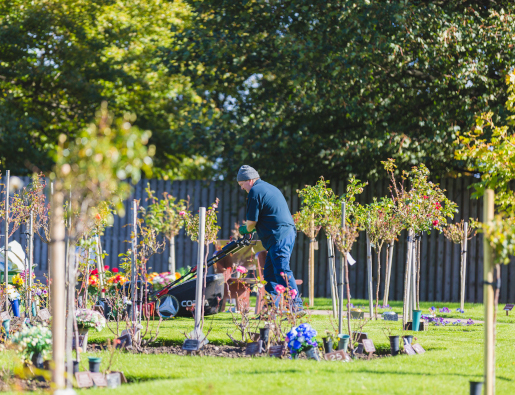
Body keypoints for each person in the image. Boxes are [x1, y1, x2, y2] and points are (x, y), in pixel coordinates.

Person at [237, 165, 302, 309]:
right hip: (285, 233)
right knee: (270, 275)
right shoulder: (269, 187)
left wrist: (244, 229)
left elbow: (251, 223)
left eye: (242, 184)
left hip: (279, 235)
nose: (242, 188)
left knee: (281, 270)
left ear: (249, 180)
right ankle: (271, 309)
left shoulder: (255, 191)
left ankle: (296, 307)